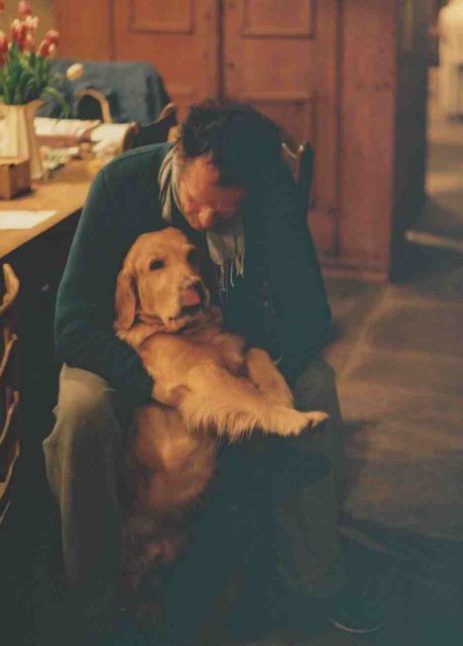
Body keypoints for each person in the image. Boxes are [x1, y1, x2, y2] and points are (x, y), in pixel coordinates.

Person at [43, 100, 379, 645]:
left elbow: (310, 314)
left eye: (222, 215)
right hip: (130, 347)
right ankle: (93, 605)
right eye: (196, 202)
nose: (201, 222)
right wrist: (154, 383)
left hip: (225, 345)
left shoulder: (270, 195)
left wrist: (248, 366)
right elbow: (73, 324)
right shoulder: (119, 184)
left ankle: (316, 580)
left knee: (315, 384)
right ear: (179, 156)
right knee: (81, 410)